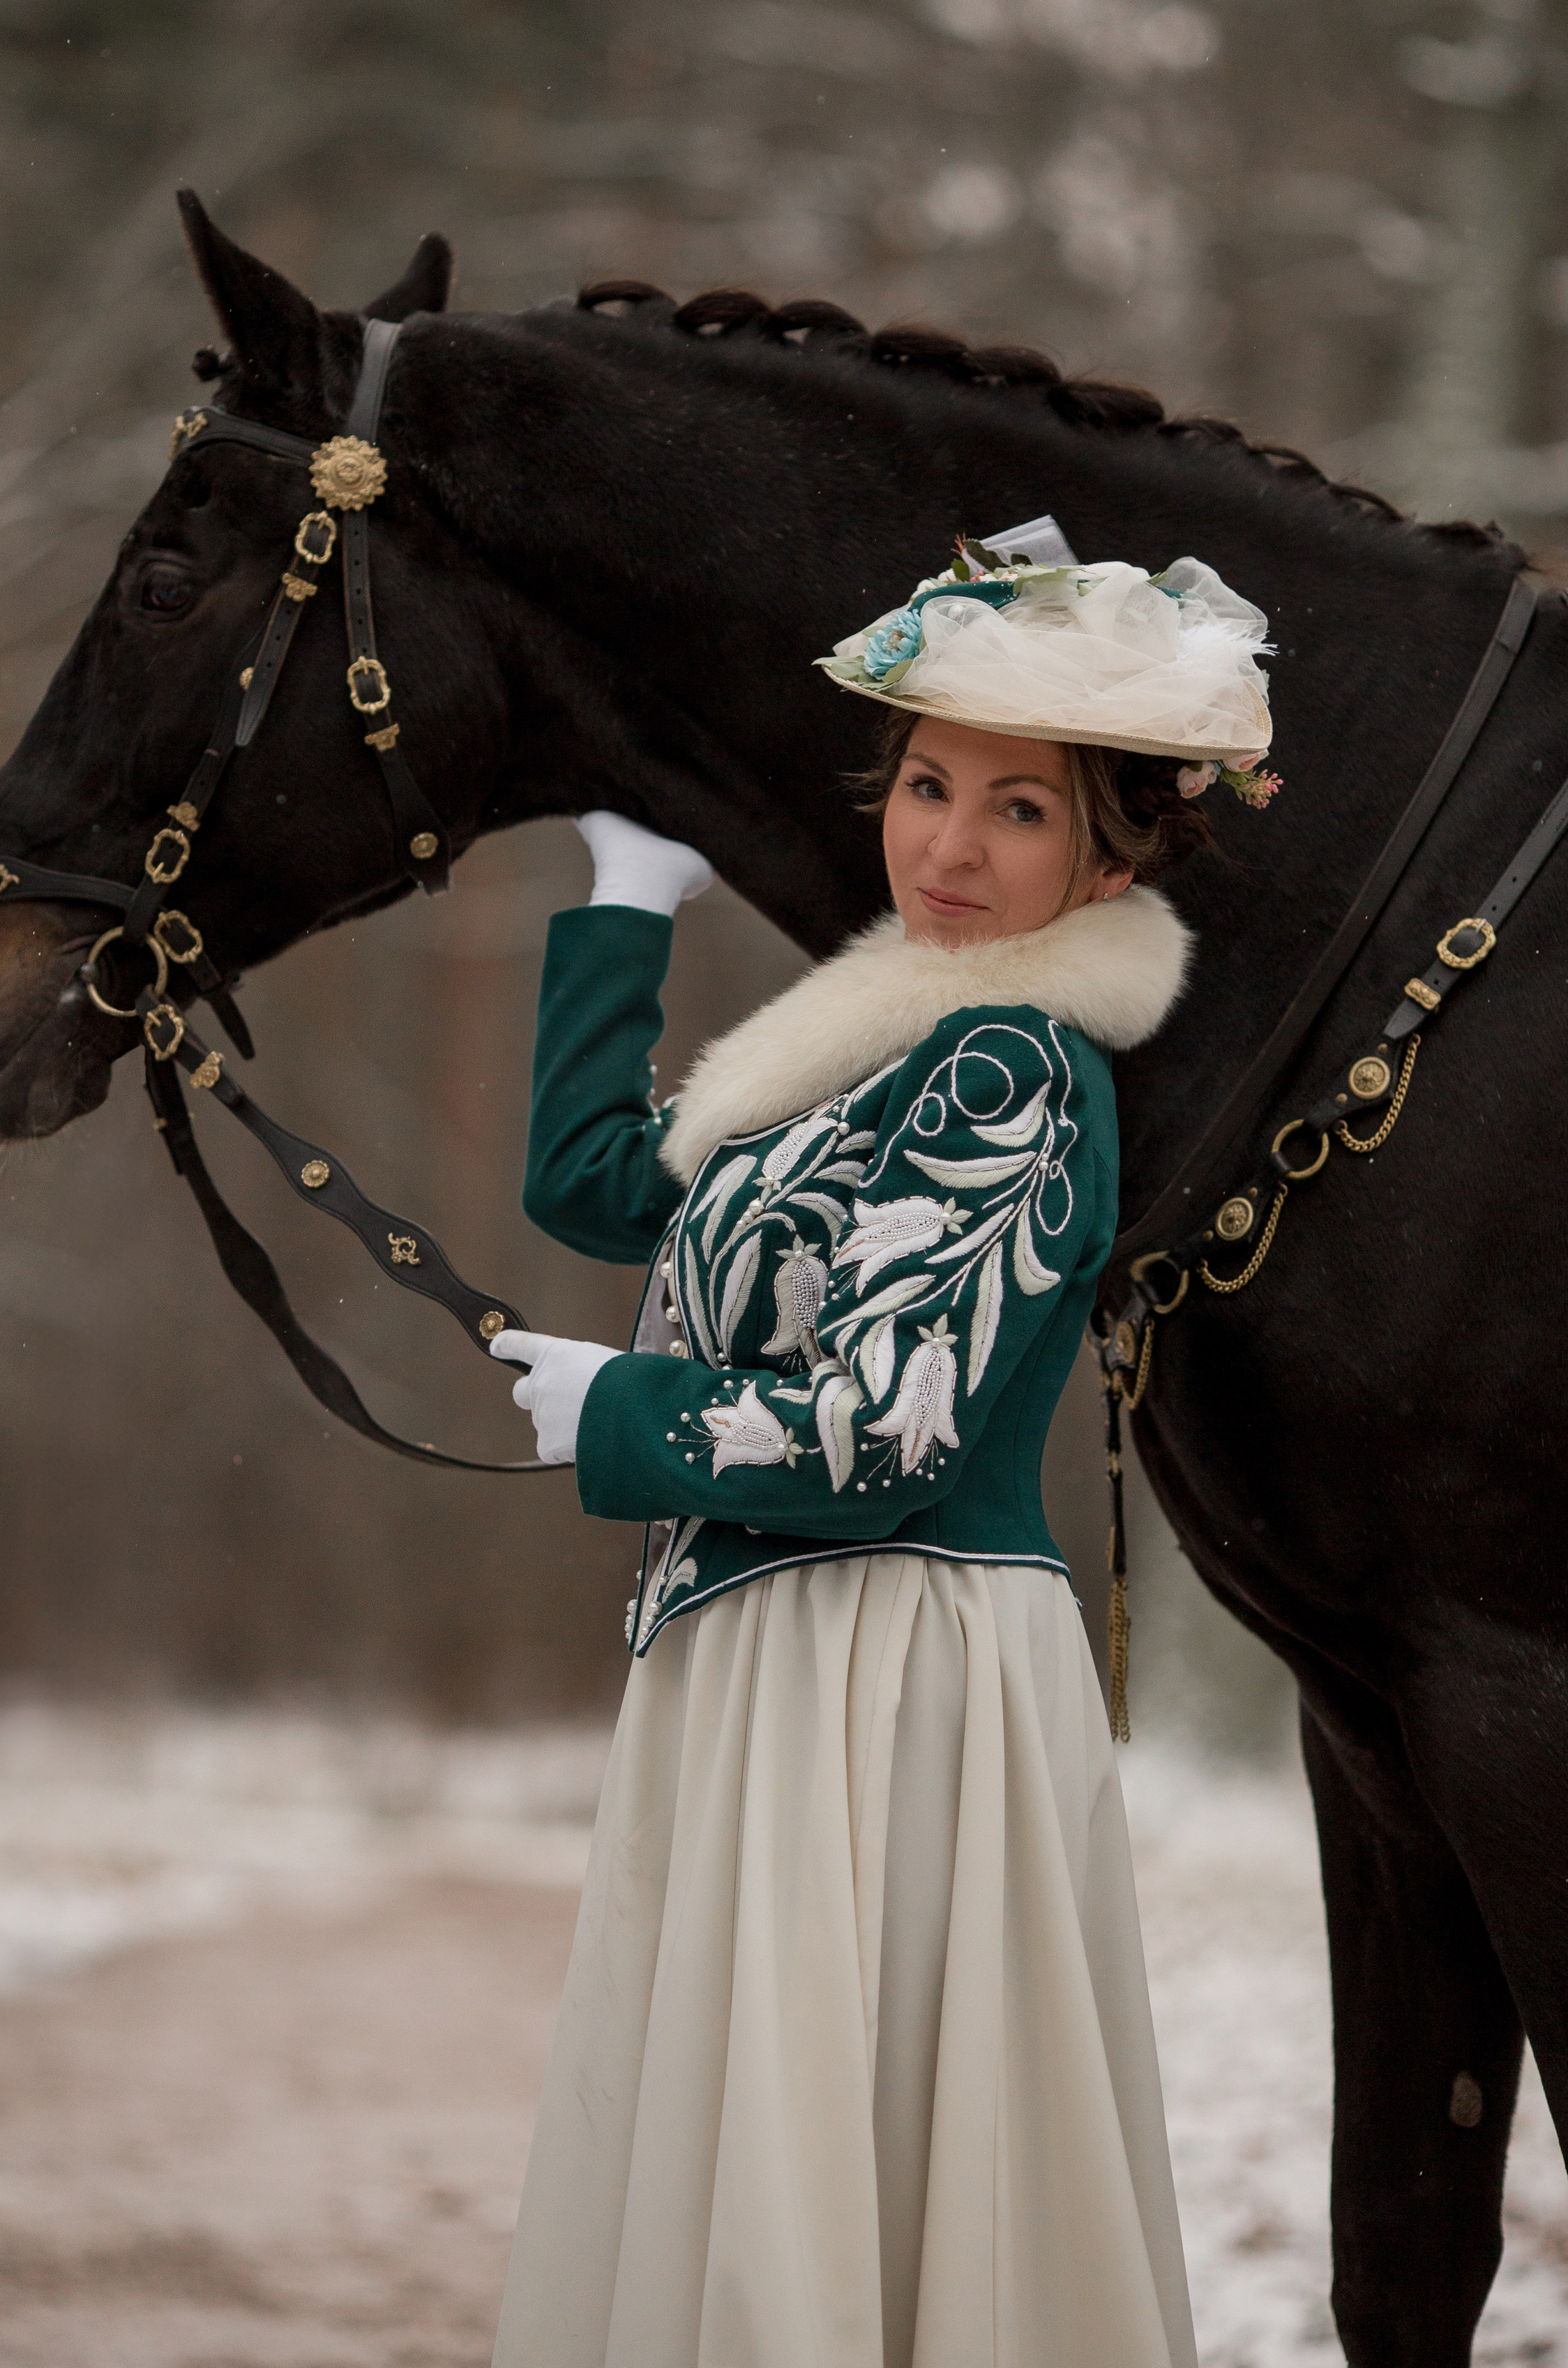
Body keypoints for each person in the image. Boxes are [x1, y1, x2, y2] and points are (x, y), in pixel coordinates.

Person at [489, 524, 1277, 2368]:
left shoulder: (1012, 1068)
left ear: (1112, 848)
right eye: (927, 786)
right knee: (769, 2160)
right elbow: (602, 1189)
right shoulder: (876, 1039)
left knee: (859, 2173)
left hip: (893, 1667)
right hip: (777, 1653)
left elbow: (885, 1432)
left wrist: (618, 1411)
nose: (945, 844)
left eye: (1017, 810)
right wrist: (624, 902)